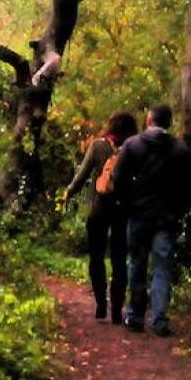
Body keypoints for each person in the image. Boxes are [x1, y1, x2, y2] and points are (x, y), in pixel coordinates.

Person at [112, 103, 191, 336]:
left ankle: (135, 316)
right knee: (162, 268)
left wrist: (126, 203)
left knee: (136, 263)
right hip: (166, 219)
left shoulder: (133, 145)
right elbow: (190, 184)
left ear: (149, 120)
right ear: (168, 123)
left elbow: (118, 179)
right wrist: (179, 209)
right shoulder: (180, 150)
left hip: (138, 215)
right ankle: (159, 320)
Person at [62, 111, 139, 323]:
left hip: (98, 209)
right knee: (119, 259)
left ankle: (100, 304)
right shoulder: (132, 148)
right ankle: (116, 310)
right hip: (123, 210)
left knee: (96, 257)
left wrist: (68, 193)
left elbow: (82, 174)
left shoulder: (98, 145)